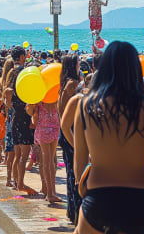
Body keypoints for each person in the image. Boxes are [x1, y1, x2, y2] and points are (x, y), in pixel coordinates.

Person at [74, 41, 144, 234]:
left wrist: (82, 187)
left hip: (101, 195)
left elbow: (80, 158)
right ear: (135, 69)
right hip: (141, 199)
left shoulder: (86, 106)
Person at [57, 54, 83, 224]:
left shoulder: (64, 83)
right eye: (78, 62)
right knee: (76, 174)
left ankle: (72, 210)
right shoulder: (72, 84)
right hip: (71, 132)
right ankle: (76, 212)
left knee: (71, 174)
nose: (80, 64)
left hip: (66, 130)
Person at [7, 47, 35, 195]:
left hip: (15, 115)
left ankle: (15, 182)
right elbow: (10, 91)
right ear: (22, 56)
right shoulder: (23, 71)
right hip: (24, 115)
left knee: (17, 153)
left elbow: (7, 91)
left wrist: (8, 107)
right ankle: (21, 184)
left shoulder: (11, 71)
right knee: (24, 154)